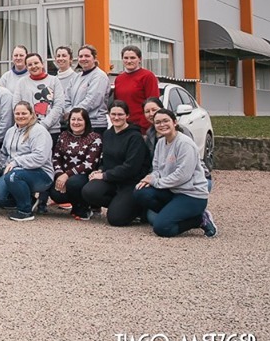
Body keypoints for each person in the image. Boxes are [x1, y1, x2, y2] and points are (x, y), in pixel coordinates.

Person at [134, 109, 216, 238]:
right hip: (172, 191)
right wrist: (150, 178)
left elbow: (183, 175)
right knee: (140, 192)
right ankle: (172, 213)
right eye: (158, 122)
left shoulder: (185, 143)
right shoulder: (161, 143)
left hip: (191, 194)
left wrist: (155, 182)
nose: (162, 125)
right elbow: (157, 169)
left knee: (162, 228)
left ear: (175, 122)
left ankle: (199, 219)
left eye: (165, 121)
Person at [82, 101, 150, 227]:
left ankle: (135, 208)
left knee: (116, 220)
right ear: (109, 115)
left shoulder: (135, 137)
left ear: (127, 116)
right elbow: (106, 160)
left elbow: (131, 168)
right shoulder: (108, 134)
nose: (116, 117)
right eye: (113, 114)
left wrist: (104, 175)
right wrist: (100, 170)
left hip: (130, 182)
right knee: (89, 191)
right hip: (113, 180)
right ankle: (120, 205)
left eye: (120, 114)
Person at [0, 101, 54, 222]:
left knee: (14, 176)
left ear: (31, 114)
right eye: (17, 113)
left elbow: (40, 157)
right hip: (13, 172)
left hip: (41, 173)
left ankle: (25, 211)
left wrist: (15, 162)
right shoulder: (10, 131)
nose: (20, 116)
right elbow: (4, 153)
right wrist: (3, 166)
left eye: (24, 113)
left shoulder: (39, 131)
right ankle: (29, 200)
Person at [47, 107, 103, 220]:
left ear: (86, 121)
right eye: (73, 119)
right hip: (64, 175)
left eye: (79, 120)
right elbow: (56, 158)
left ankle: (84, 207)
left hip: (84, 176)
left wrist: (66, 175)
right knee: (55, 193)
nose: (76, 123)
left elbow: (89, 164)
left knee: (73, 183)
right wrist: (59, 175)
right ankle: (75, 204)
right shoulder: (63, 135)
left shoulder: (94, 138)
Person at [13, 52, 65, 140]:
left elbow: (59, 106)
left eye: (36, 63)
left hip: (51, 131)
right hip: (27, 131)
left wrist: (43, 125)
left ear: (42, 64)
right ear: (26, 67)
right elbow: (16, 106)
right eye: (30, 65)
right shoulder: (21, 82)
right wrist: (28, 125)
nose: (33, 66)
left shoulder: (54, 80)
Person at [113, 44, 160, 131]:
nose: (129, 61)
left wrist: (143, 125)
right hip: (123, 126)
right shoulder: (119, 79)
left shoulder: (148, 76)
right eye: (126, 58)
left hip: (142, 127)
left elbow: (153, 103)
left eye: (132, 58)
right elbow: (117, 103)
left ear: (140, 59)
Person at [68, 44, 110, 135]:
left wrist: (73, 113)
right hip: (77, 123)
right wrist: (70, 112)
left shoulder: (99, 76)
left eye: (87, 56)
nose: (83, 59)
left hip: (94, 124)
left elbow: (92, 100)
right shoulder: (76, 77)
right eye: (81, 56)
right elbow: (67, 98)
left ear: (94, 58)